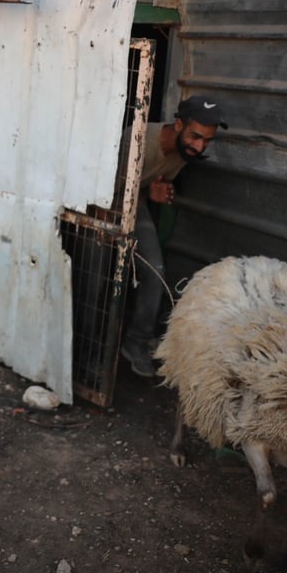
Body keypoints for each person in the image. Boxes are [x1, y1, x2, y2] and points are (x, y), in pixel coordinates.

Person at [120, 95, 227, 378]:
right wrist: (144, 194)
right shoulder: (138, 139)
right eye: (195, 136)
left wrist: (154, 194)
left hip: (135, 208)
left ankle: (136, 342)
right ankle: (88, 354)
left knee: (155, 272)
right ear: (178, 125)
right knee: (98, 277)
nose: (200, 146)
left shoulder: (184, 154)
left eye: (207, 140)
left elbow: (151, 186)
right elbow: (102, 185)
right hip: (102, 207)